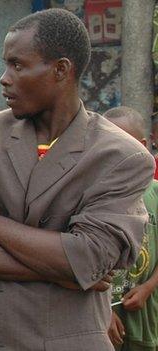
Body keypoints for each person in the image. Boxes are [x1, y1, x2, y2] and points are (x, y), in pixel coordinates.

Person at [0, 8, 155, 351]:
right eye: (6, 64)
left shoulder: (120, 156)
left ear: (61, 70)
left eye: (18, 65)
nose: (4, 77)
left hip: (64, 340)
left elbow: (89, 257)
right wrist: (63, 273)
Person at [104, 106, 158, 351]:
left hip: (146, 314)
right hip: (101, 316)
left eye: (123, 144)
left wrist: (148, 287)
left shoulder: (155, 193)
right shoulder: (88, 195)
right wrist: (102, 310)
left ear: (143, 144)